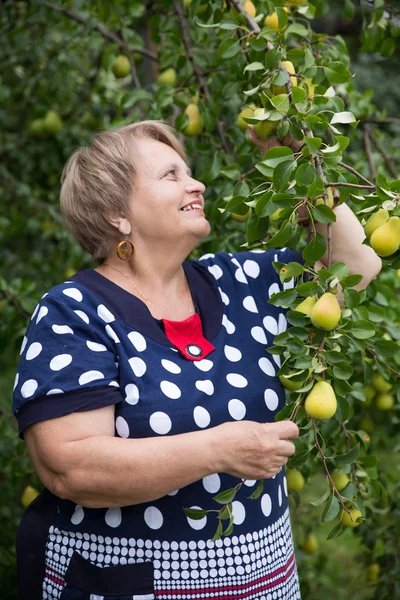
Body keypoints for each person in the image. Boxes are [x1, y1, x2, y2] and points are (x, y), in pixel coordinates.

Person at [13, 120, 381, 600]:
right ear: (116, 215)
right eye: (170, 175)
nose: (196, 184)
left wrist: (303, 157)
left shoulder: (240, 282)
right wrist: (220, 450)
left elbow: (355, 266)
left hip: (265, 584)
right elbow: (70, 467)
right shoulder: (74, 311)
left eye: (190, 172)